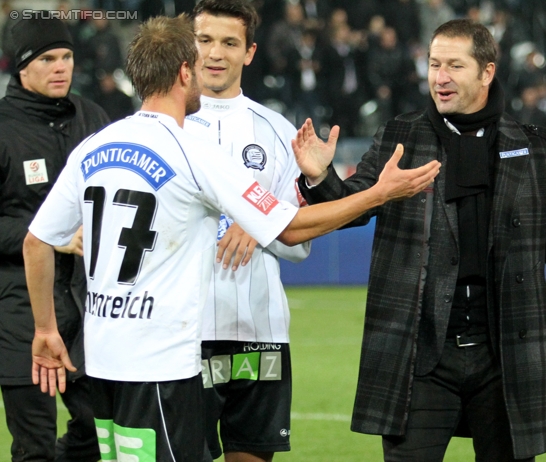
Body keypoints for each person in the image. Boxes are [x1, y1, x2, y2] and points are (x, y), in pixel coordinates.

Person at [22, 14, 440, 462]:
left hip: (102, 359)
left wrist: (45, 328)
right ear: (185, 71)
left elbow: (37, 241)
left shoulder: (96, 145)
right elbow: (288, 226)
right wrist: (377, 194)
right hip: (160, 363)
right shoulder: (192, 150)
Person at [293, 18, 546, 461]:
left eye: (454, 65)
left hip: (505, 355)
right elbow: (355, 206)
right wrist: (321, 178)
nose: (440, 77)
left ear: (486, 72)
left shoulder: (537, 148)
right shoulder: (403, 136)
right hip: (420, 355)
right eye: (434, 64)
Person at [185, 1, 310, 460]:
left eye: (229, 43)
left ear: (250, 52)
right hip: (183, 335)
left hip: (260, 331)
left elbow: (301, 245)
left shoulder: (278, 132)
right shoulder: (162, 126)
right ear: (189, 45)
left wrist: (258, 226)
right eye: (205, 40)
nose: (215, 53)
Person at [0, 16, 109, 462]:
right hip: (20, 310)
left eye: (66, 57)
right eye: (47, 58)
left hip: (89, 309)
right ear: (21, 66)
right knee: (34, 445)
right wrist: (49, 237)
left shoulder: (92, 117)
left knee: (97, 430)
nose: (60, 67)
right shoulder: (4, 129)